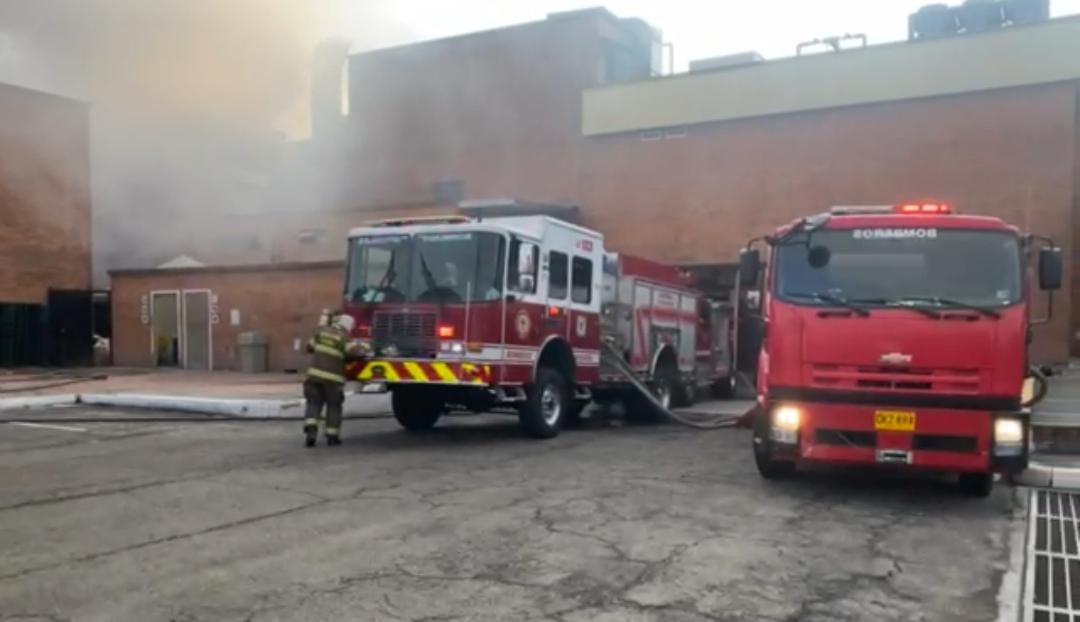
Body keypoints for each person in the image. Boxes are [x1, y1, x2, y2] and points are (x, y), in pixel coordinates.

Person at [303, 312, 364, 447]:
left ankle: (311, 429)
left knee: (313, 403)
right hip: (333, 381)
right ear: (349, 326)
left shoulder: (320, 332)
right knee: (334, 407)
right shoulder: (345, 338)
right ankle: (332, 436)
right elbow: (355, 353)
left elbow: (308, 347)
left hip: (314, 377)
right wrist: (364, 348)